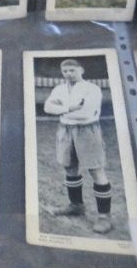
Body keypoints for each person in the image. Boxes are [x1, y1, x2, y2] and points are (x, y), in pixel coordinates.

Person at [43, 59, 113, 234]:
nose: (68, 74)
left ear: (81, 70)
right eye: (65, 71)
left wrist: (62, 109)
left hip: (87, 129)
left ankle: (104, 216)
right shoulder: (59, 89)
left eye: (72, 70)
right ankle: (76, 205)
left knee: (96, 170)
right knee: (70, 168)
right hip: (65, 130)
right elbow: (47, 107)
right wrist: (70, 108)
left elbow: (85, 113)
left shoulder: (92, 88)